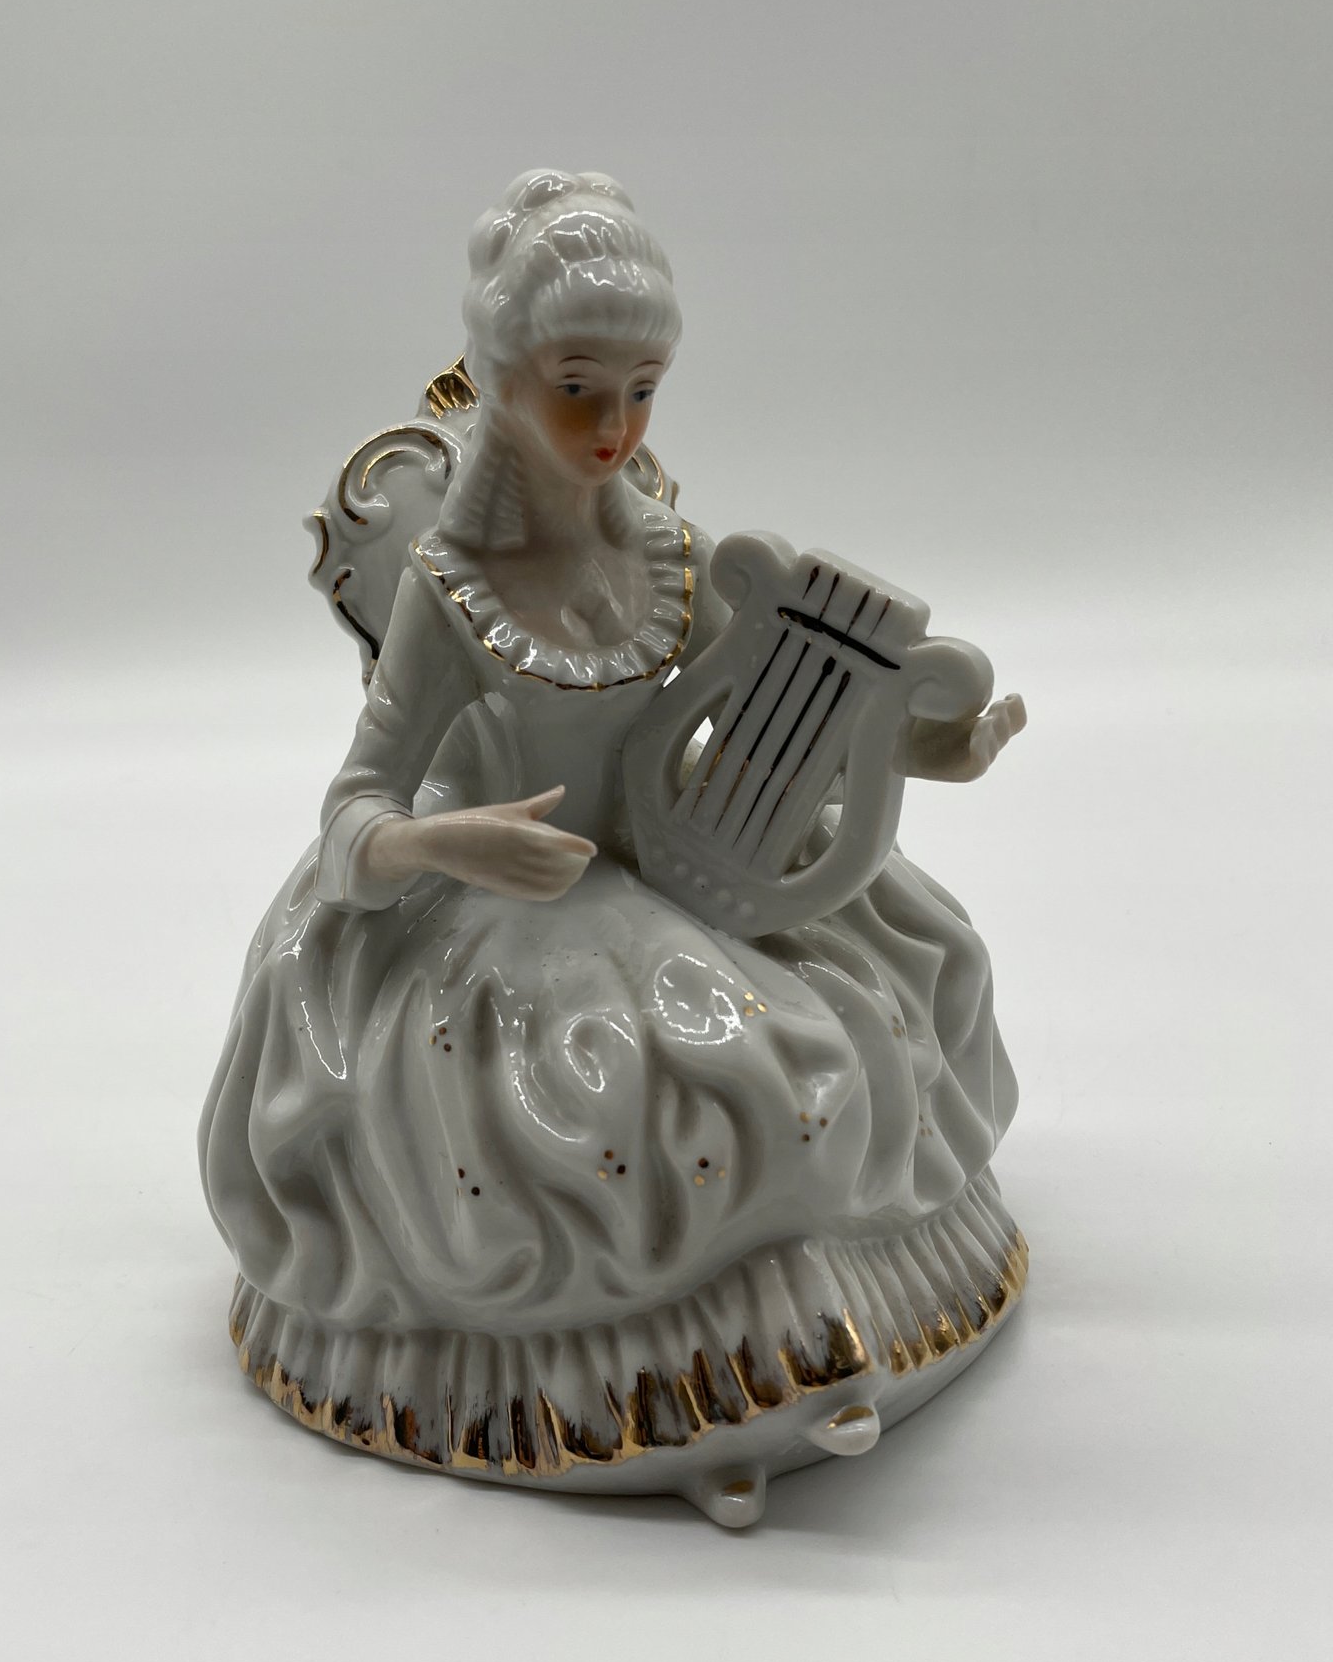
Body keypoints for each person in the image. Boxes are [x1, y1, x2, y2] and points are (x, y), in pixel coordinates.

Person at [200, 170, 1028, 1525]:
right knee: (706, 1085)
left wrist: (925, 747)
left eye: (642, 390)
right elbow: (354, 807)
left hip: (674, 856)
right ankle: (695, 1389)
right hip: (509, 911)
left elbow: (782, 715)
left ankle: (808, 1337)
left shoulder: (668, 556)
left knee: (910, 972)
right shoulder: (452, 592)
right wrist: (448, 843)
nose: (614, 427)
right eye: (578, 387)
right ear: (502, 377)